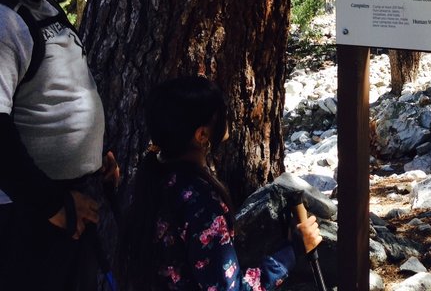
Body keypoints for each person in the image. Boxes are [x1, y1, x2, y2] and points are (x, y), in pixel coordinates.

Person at [0, 0, 120, 291]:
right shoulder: (3, 22)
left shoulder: (38, 6)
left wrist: (94, 156)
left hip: (68, 201)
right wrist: (52, 205)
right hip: (27, 216)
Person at [117, 75, 322, 291]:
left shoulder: (150, 180)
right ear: (202, 134)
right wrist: (291, 252)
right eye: (222, 114)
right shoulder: (201, 203)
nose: (228, 118)